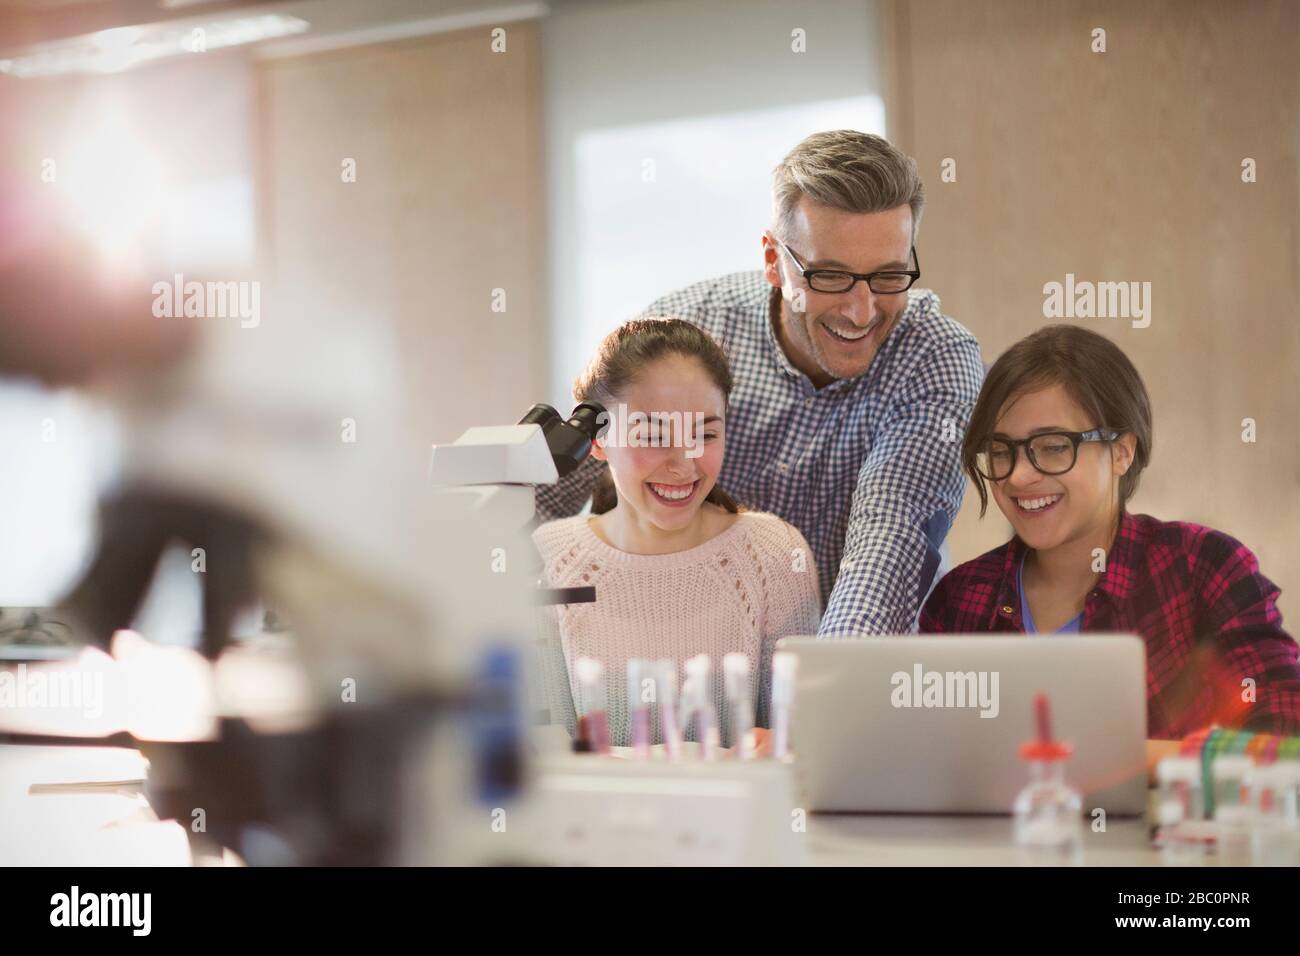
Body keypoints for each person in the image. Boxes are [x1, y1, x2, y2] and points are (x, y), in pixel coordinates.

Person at [538, 130, 984, 636]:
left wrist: (813, 704)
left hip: (858, 674)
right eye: (830, 276)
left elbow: (889, 542)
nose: (862, 311)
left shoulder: (934, 358)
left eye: (888, 276)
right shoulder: (692, 331)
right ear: (773, 259)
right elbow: (548, 485)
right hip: (693, 654)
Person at [920, 324, 1300, 767]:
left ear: (1122, 451)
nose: (1019, 476)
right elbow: (931, 759)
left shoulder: (1201, 568)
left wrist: (1121, 760)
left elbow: (1284, 737)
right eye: (1002, 450)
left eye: (1053, 446)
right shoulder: (961, 599)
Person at [532, 318, 822, 748]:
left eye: (705, 433)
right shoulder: (547, 562)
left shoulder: (773, 555)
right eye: (652, 433)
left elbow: (805, 738)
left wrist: (783, 745)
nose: (684, 463)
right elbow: (545, 752)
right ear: (596, 439)